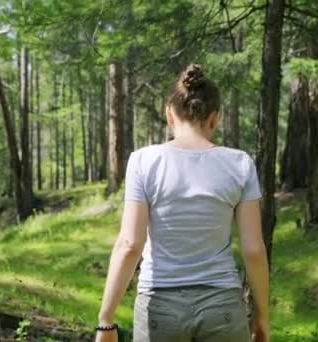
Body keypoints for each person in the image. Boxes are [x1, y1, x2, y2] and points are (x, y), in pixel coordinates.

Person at [95, 64, 270, 342]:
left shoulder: (143, 161)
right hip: (222, 307)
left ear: (169, 115)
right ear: (215, 119)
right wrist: (262, 316)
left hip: (160, 309)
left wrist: (106, 322)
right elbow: (253, 249)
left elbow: (130, 245)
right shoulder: (240, 163)